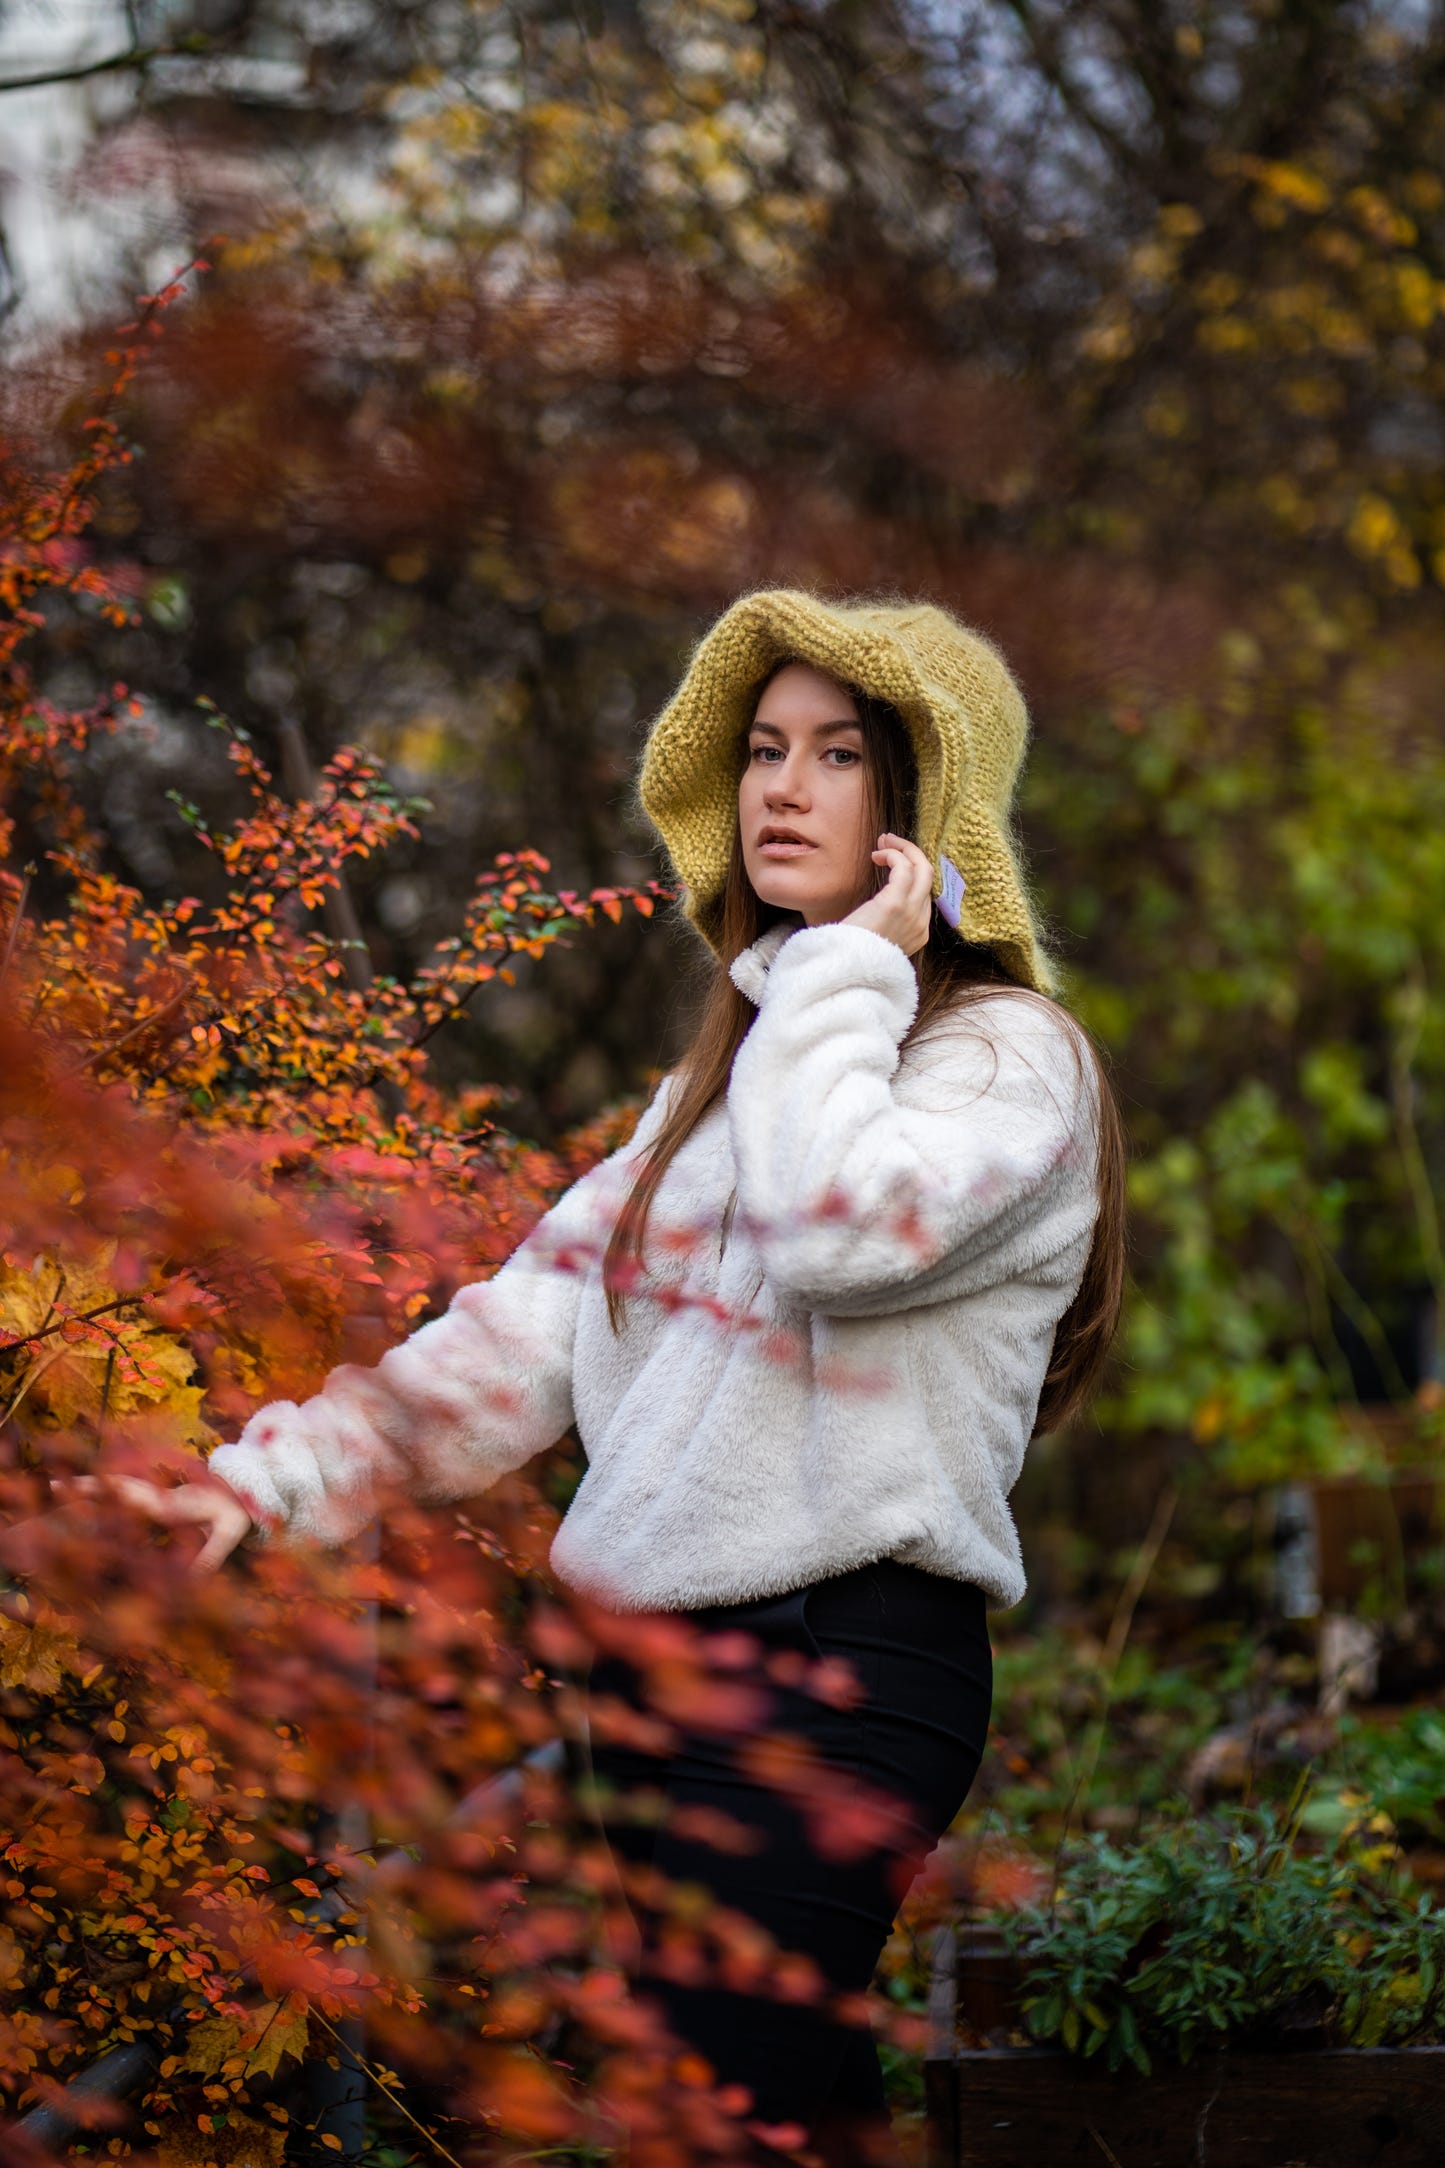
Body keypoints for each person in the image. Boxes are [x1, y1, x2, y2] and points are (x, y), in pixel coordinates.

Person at [53, 589, 1126, 2167]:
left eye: (837, 755)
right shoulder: (728, 1088)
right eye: (763, 749)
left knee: (740, 2107)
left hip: (841, 1666)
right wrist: (262, 1486)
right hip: (651, 1680)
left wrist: (844, 972)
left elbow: (836, 1233)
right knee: (747, 2120)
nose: (780, 788)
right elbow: (525, 1333)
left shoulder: (1004, 1059)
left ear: (926, 805)